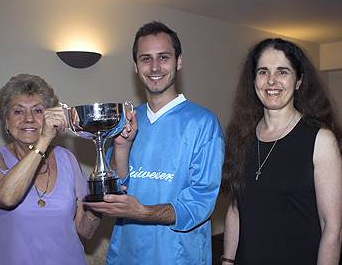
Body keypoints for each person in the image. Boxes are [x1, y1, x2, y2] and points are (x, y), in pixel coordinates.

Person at [85, 21, 225, 264]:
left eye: (163, 57)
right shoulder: (126, 121)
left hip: (178, 256)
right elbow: (115, 188)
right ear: (136, 67)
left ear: (178, 62)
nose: (154, 67)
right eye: (145, 59)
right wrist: (121, 148)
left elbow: (200, 202)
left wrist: (143, 212)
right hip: (127, 254)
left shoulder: (203, 123)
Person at [221, 38, 342, 265]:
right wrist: (227, 261)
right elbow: (236, 210)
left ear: (298, 81)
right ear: (254, 80)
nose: (271, 81)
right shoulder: (241, 137)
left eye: (283, 71)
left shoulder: (320, 140)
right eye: (263, 72)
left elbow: (332, 228)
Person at [0, 74, 101, 265]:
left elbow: (85, 230)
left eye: (38, 111)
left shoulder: (67, 158)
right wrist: (45, 139)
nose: (28, 119)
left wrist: (98, 207)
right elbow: (7, 196)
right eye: (18, 112)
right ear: (6, 122)